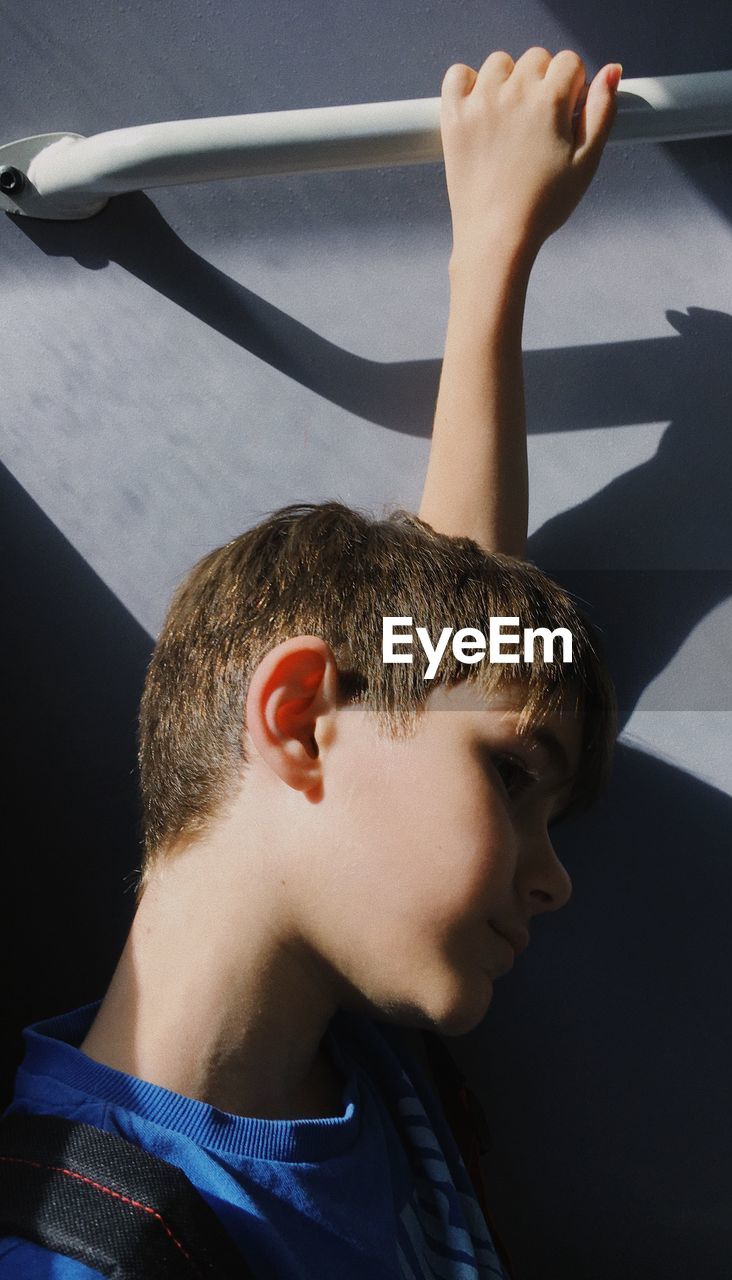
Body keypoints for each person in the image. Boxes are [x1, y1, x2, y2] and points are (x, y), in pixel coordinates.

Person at [0, 48, 622, 1278]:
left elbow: (446, 675)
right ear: (296, 720)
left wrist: (491, 256)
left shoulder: (348, 1059)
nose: (553, 881)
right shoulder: (86, 1254)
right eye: (515, 777)